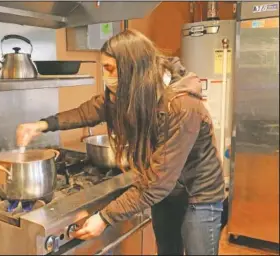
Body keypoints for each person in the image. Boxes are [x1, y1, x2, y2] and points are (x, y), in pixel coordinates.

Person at [16, 29, 224, 255]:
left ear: (132, 67)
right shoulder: (134, 92)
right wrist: (42, 125)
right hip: (166, 191)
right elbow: (91, 110)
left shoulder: (182, 106)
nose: (106, 76)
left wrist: (105, 217)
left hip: (199, 194)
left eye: (109, 68)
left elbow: (157, 182)